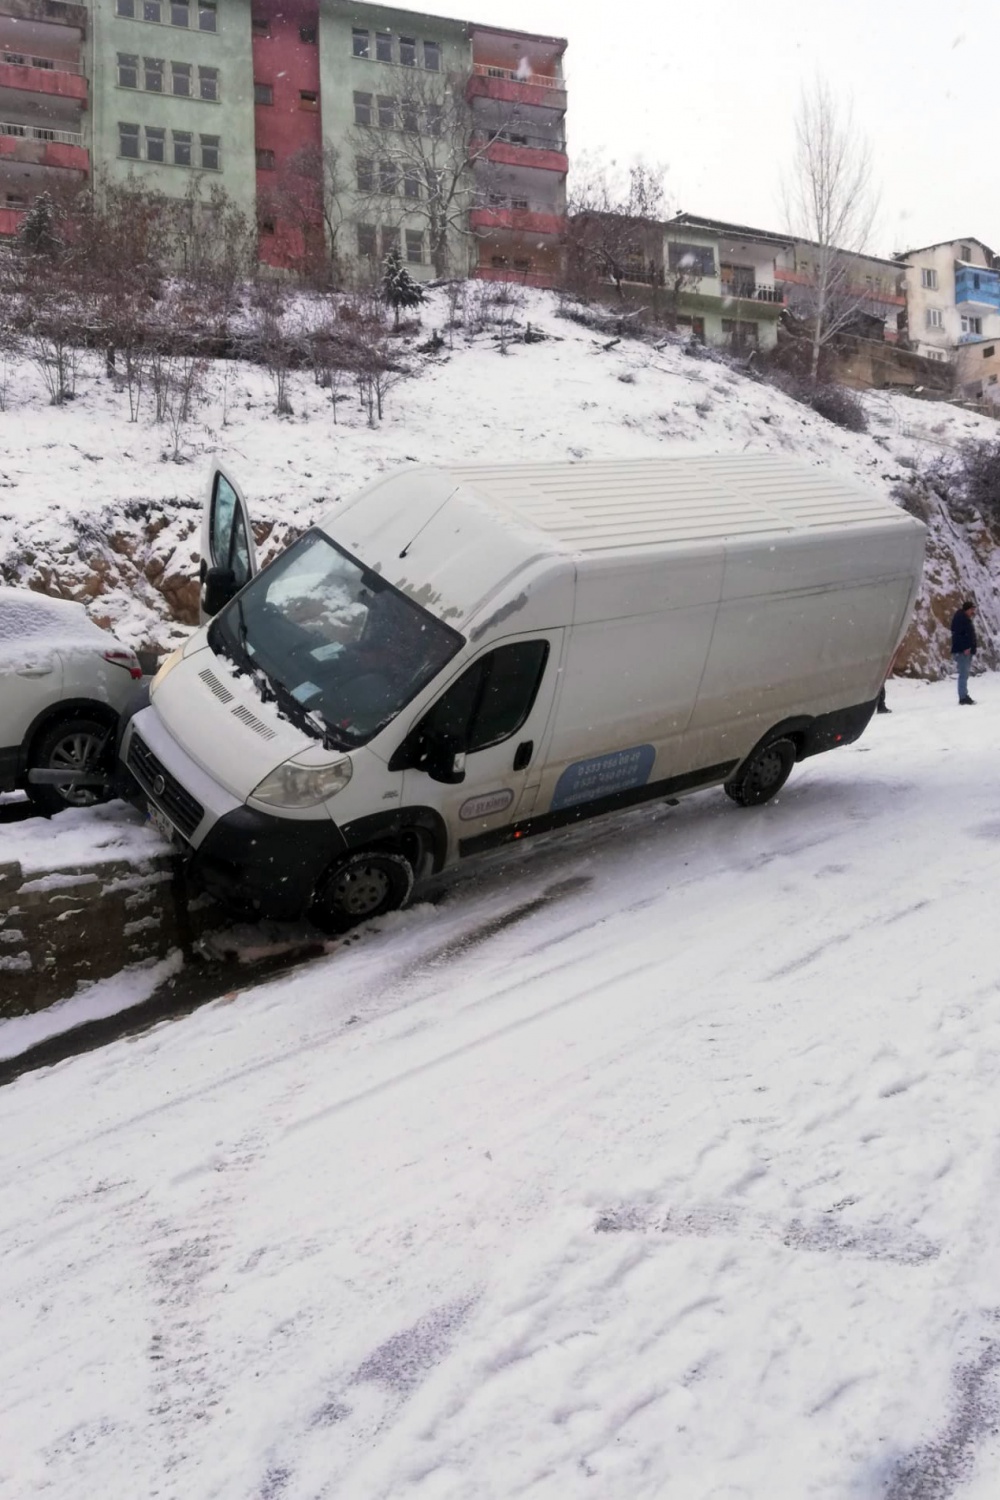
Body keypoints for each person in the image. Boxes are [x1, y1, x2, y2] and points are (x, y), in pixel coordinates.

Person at [950, 600, 977, 705]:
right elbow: (958, 636)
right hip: (963, 652)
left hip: (965, 651)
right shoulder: (961, 620)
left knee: (964, 675)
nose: (973, 612)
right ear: (967, 609)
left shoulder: (963, 619)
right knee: (963, 674)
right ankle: (963, 697)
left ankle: (964, 695)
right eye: (971, 609)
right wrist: (965, 648)